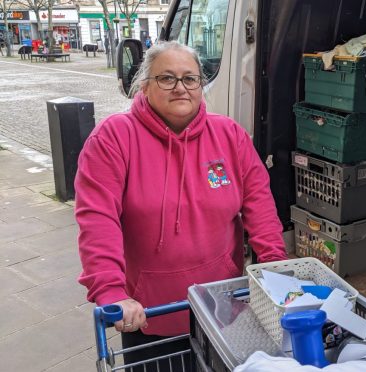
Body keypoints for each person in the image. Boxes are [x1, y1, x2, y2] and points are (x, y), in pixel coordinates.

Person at [75, 41, 288, 371]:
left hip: (221, 306)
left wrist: (274, 264)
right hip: (149, 316)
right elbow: (97, 219)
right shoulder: (113, 138)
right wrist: (111, 290)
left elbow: (259, 203)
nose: (180, 88)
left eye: (190, 79)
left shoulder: (230, 135)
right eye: (167, 78)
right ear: (144, 84)